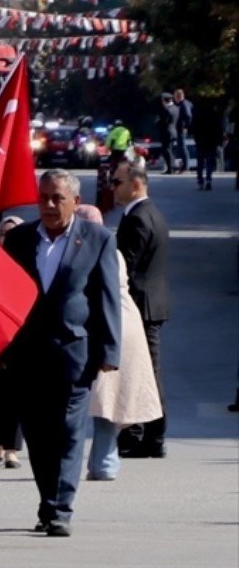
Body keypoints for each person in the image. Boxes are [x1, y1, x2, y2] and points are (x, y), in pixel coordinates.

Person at [0, 171, 120, 537]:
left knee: (68, 431)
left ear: (75, 202)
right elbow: (3, 296)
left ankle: (60, 510)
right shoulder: (20, 239)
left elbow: (106, 297)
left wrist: (110, 350)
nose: (49, 205)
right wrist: (0, 347)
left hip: (75, 354)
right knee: (37, 433)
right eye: (44, 198)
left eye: (57, 198)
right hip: (27, 354)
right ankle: (47, 502)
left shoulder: (97, 239)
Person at [77, 205, 162, 480]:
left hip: (109, 327)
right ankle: (103, 462)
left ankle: (101, 463)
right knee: (108, 402)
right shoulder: (110, 249)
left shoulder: (91, 251)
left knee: (100, 400)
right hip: (123, 324)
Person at [110, 161, 169, 458]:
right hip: (150, 303)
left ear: (136, 184)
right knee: (146, 372)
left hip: (140, 306)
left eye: (117, 181)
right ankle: (146, 436)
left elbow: (126, 269)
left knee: (144, 374)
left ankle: (151, 437)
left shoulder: (138, 218)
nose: (112, 186)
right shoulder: (148, 212)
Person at [0, 216, 27, 470]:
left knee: (16, 395)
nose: (8, 238)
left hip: (20, 341)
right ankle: (0, 443)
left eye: (13, 233)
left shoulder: (28, 264)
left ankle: (12, 450)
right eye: (4, 233)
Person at [189, 94, 222, 191]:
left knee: (200, 161)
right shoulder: (214, 114)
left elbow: (192, 127)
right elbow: (219, 128)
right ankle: (208, 179)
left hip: (200, 139)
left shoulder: (198, 113)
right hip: (212, 140)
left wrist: (194, 134)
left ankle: (200, 181)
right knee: (209, 161)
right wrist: (219, 139)